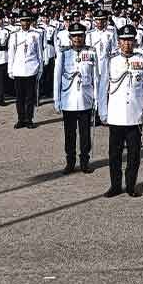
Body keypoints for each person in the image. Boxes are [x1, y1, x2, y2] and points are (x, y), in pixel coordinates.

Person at [98, 25, 143, 198]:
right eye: (124, 40)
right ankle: (115, 185)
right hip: (116, 115)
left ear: (135, 41)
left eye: (130, 40)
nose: (127, 43)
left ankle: (130, 185)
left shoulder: (142, 60)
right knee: (114, 154)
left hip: (135, 115)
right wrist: (103, 112)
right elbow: (103, 87)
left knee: (134, 154)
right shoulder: (111, 60)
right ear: (119, 41)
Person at [53, 23, 101, 174]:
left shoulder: (91, 52)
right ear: (70, 38)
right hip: (68, 100)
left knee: (85, 133)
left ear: (84, 36)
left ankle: (85, 161)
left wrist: (96, 99)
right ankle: (70, 161)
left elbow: (96, 78)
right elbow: (57, 77)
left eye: (80, 35)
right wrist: (57, 100)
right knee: (70, 133)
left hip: (85, 100)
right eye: (74, 36)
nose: (78, 38)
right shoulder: (64, 53)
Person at [8, 9, 43, 129]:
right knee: (19, 97)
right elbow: (11, 53)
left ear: (31, 21)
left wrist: (40, 69)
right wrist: (10, 70)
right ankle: (20, 119)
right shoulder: (15, 35)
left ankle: (29, 119)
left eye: (28, 21)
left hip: (31, 68)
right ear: (20, 21)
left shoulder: (36, 35)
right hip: (18, 69)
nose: (25, 23)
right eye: (23, 21)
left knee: (30, 97)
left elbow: (40, 53)